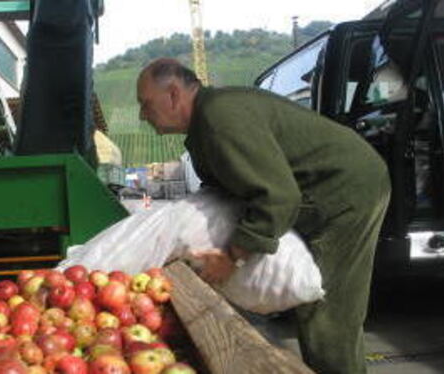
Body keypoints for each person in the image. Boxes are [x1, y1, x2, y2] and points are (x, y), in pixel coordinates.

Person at [136, 58, 391, 374]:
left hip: (345, 190)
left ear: (173, 94)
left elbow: (278, 197)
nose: (142, 115)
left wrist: (233, 256)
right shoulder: (208, 123)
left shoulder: (220, 118)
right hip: (323, 188)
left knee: (329, 315)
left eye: (145, 104)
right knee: (317, 308)